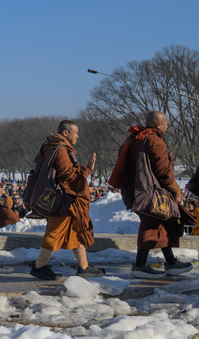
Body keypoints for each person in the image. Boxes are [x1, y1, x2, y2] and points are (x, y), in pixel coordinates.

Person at [109, 111, 193, 278]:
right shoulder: (155, 140)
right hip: (151, 194)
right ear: (158, 125)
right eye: (166, 123)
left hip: (135, 191)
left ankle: (170, 263)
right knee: (151, 226)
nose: (167, 126)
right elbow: (164, 172)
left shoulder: (134, 138)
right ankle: (140, 265)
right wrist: (176, 191)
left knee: (161, 224)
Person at [29, 120, 103, 280]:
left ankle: (84, 267)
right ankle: (39, 267)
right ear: (65, 133)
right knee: (53, 233)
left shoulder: (49, 146)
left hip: (63, 199)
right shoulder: (61, 149)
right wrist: (87, 170)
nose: (77, 135)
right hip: (63, 200)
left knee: (75, 231)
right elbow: (68, 175)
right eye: (75, 132)